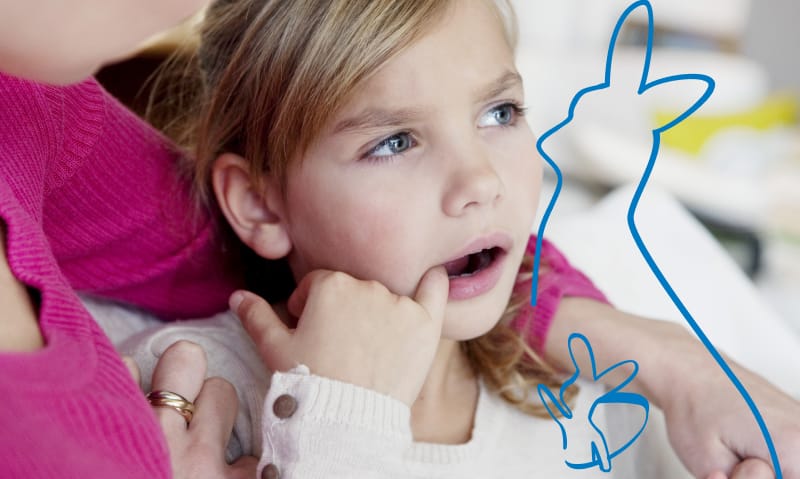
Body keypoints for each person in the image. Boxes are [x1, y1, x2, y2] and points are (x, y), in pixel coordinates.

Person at [0, 0, 797, 478]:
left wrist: (671, 362)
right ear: (259, 204)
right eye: (394, 143)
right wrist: (347, 415)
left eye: (502, 113)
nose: (480, 180)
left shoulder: (588, 400)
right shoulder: (207, 390)